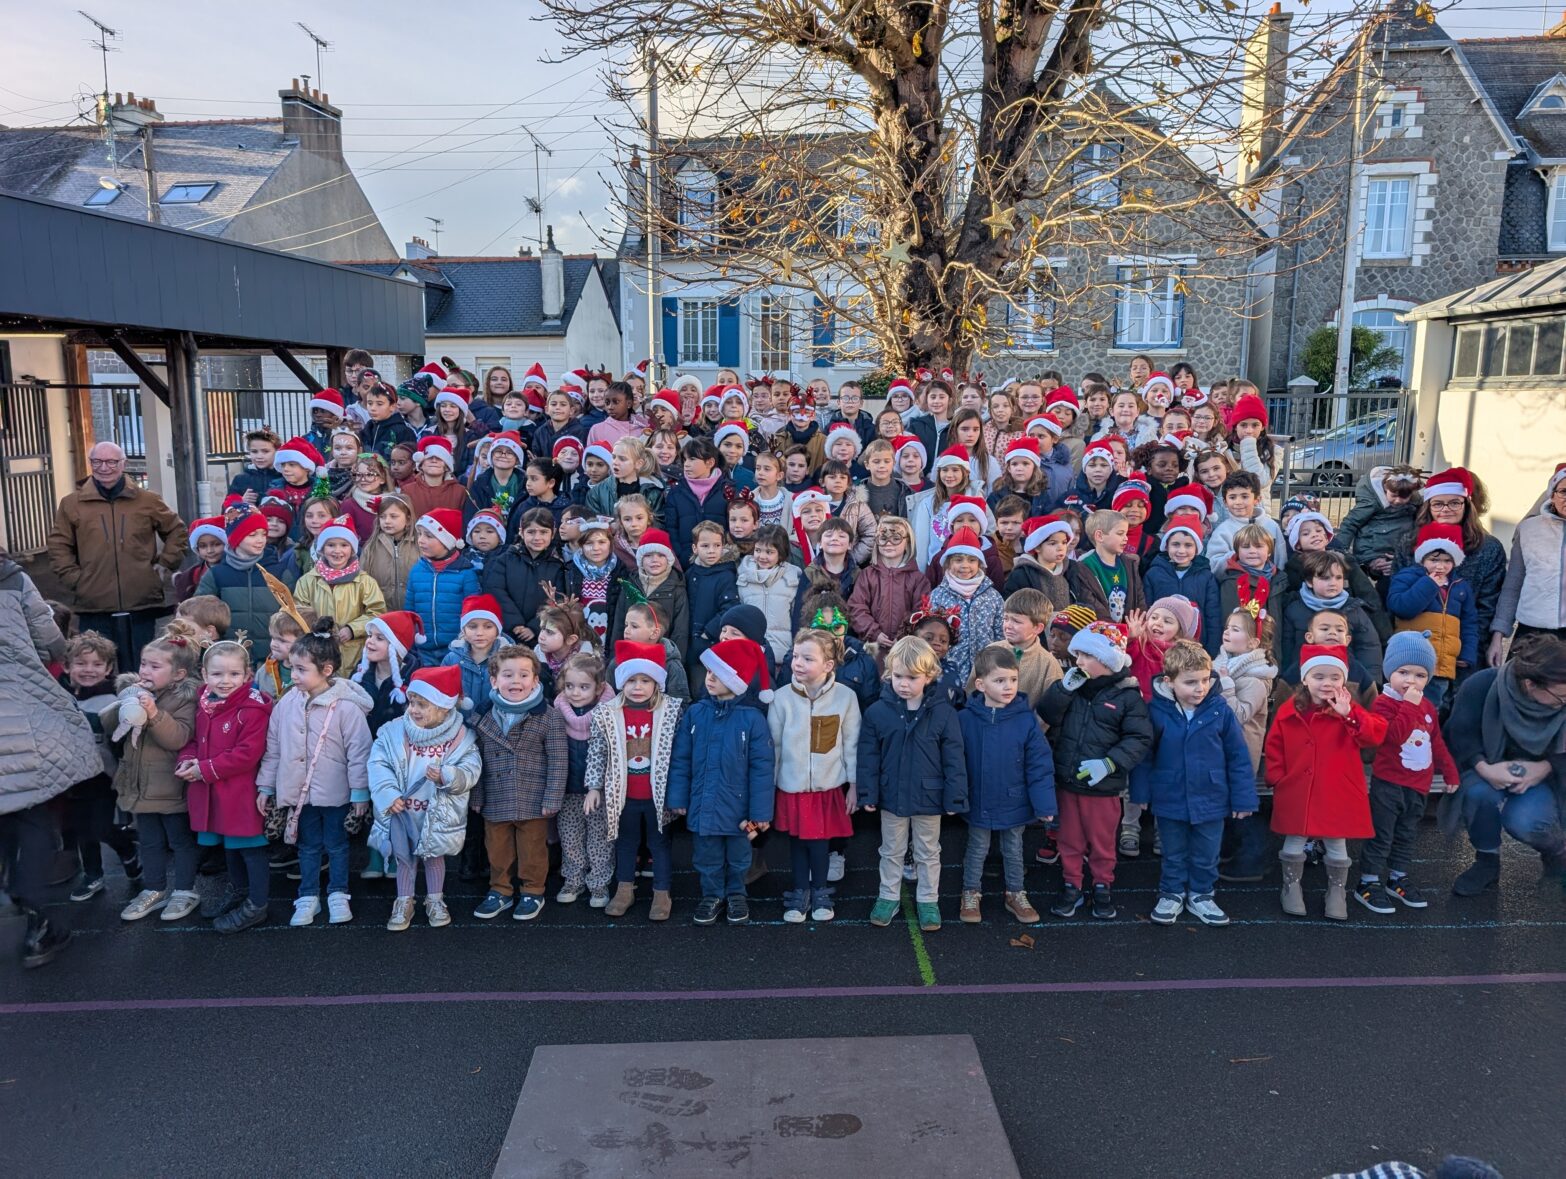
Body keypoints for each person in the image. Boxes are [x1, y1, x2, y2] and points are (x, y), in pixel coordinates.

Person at [0, 555, 102, 966]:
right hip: (17, 706)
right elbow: (48, 636)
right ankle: (37, 916)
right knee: (32, 814)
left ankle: (14, 886)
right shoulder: (11, 577)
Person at [1130, 640, 1257, 927]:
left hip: (1212, 796)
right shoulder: (1156, 711)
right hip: (1170, 795)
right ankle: (1172, 893)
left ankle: (1201, 894)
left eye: (1204, 680)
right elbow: (1145, 756)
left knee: (1206, 853)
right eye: (1190, 682)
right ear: (1169, 681)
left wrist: (1243, 798)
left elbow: (1237, 757)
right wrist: (1141, 793)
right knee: (1173, 852)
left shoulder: (1220, 710)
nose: (1200, 688)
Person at [256, 621, 374, 928]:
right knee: (306, 846)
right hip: (300, 793)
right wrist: (266, 786)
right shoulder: (286, 704)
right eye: (292, 668)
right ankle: (307, 895)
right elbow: (274, 749)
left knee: (336, 844)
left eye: (301, 669)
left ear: (326, 670)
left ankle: (338, 892)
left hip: (336, 793)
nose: (293, 675)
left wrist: (360, 793)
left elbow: (359, 753)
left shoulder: (347, 709)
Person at [1037, 621, 1153, 920]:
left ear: (1107, 660)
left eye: (1087, 656)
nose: (1079, 661)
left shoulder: (1127, 695)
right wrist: (1062, 689)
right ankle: (1071, 884)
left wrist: (1109, 763)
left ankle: (1102, 884)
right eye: (1078, 655)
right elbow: (1047, 713)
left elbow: (1139, 737)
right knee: (1069, 839)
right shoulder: (1071, 685)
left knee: (1102, 841)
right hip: (1068, 781)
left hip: (1103, 788)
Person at [1265, 643, 1388, 920]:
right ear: (1305, 679)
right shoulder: (1290, 709)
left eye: (1334, 677)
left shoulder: (1348, 708)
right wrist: (1277, 777)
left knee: (1336, 842)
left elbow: (1374, 735)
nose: (1327, 683)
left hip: (1336, 788)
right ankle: (1291, 887)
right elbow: (1274, 744)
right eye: (1318, 676)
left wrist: (1349, 715)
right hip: (1298, 787)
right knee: (1295, 838)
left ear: (1343, 680)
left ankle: (1336, 891)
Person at [859, 635, 967, 931]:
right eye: (898, 676)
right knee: (890, 850)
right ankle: (887, 896)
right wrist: (868, 792)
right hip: (891, 795)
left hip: (929, 797)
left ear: (929, 676)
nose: (903, 684)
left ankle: (928, 900)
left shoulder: (944, 713)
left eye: (912, 677)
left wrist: (955, 796)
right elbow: (868, 757)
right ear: (889, 673)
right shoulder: (877, 712)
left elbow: (954, 758)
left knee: (928, 852)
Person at [46, 441, 189, 663]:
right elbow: (59, 544)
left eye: (111, 462)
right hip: (94, 603)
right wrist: (74, 578)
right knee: (96, 667)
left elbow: (177, 531)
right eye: (97, 462)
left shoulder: (147, 500)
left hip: (141, 600)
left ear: (124, 463)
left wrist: (165, 564)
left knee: (141, 665)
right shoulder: (72, 503)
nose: (104, 467)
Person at [1447, 633, 1566, 896]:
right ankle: (1487, 861)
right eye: (1560, 698)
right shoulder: (1482, 685)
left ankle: (1557, 851)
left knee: (1525, 821)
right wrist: (1484, 768)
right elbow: (1459, 734)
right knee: (1479, 794)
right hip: (1487, 768)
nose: (1563, 703)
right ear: (1530, 684)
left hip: (1544, 776)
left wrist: (1544, 768)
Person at [669, 637, 776, 925]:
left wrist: (760, 813)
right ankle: (712, 894)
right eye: (708, 672)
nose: (709, 678)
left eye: (717, 673)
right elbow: (681, 759)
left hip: (740, 811)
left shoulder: (752, 720)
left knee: (740, 856)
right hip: (703, 804)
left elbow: (762, 770)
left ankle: (737, 893)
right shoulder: (696, 714)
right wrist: (678, 797)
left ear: (736, 679)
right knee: (706, 856)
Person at [368, 664, 481, 931]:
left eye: (423, 704)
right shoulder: (394, 732)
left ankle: (435, 900)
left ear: (444, 708)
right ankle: (404, 901)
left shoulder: (461, 738)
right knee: (404, 859)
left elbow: (471, 770)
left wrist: (447, 775)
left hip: (436, 813)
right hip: (402, 810)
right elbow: (378, 763)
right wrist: (388, 793)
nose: (414, 710)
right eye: (412, 703)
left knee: (434, 857)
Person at [1355, 632, 1460, 915]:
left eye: (1420, 675)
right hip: (1389, 784)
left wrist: (1450, 772)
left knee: (1406, 834)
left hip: (1417, 785)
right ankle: (1368, 881)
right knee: (1382, 834)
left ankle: (1397, 877)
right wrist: (1409, 706)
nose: (1411, 681)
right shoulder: (1384, 704)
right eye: (1403, 672)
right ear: (1389, 672)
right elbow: (1392, 737)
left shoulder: (1427, 707)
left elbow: (1436, 741)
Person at [175, 640, 274, 933]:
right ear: (205, 675)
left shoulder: (252, 709)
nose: (225, 681)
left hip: (241, 793)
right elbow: (195, 741)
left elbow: (247, 754)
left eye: (234, 674)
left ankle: (257, 904)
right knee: (230, 845)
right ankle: (239, 890)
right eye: (217, 674)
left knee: (250, 848)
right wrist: (187, 760)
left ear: (247, 675)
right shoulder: (204, 703)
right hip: (216, 790)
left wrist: (204, 769)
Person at [112, 619, 203, 923]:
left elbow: (178, 738)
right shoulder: (135, 690)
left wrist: (153, 713)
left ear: (179, 674)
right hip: (141, 786)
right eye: (143, 664)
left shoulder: (186, 698)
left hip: (171, 787)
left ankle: (185, 890)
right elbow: (113, 730)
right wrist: (124, 703)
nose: (146, 671)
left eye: (155, 666)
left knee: (180, 841)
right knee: (149, 842)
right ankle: (154, 889)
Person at [768, 628, 861, 923]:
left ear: (828, 665)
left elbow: (852, 745)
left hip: (826, 788)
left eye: (808, 658)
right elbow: (774, 747)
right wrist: (769, 789)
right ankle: (800, 891)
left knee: (820, 843)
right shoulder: (781, 699)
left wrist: (854, 785)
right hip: (791, 787)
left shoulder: (846, 698)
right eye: (796, 656)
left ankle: (820, 890)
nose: (798, 663)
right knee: (797, 843)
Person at [958, 647, 1054, 925]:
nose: (1008, 686)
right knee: (977, 847)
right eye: (1000, 680)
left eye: (1013, 679)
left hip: (1014, 798)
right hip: (978, 797)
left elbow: (1039, 764)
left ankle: (1015, 893)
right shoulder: (965, 719)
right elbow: (954, 762)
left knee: (1013, 848)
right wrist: (954, 797)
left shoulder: (1025, 720)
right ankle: (970, 892)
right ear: (980, 684)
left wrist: (1044, 804)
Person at [587, 641, 683, 921]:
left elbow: (680, 754)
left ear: (657, 683)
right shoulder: (607, 713)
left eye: (645, 680)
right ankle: (624, 890)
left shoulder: (671, 711)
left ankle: (662, 893)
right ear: (621, 682)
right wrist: (593, 786)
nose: (637, 687)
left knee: (659, 844)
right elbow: (597, 750)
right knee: (626, 842)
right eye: (631, 680)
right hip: (623, 794)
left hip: (658, 796)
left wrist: (678, 793)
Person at [57, 631, 141, 902]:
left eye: (96, 664)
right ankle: (93, 875)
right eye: (81, 663)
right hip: (71, 776)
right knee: (81, 827)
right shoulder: (58, 697)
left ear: (108, 668)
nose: (88, 670)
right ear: (67, 666)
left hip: (103, 776)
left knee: (100, 827)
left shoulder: (113, 701)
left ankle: (127, 848)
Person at [1386, 523, 1478, 708]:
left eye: (1447, 561)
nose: (1440, 566)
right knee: (1404, 705)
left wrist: (1467, 653)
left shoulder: (1460, 586)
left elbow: (1469, 622)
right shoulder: (1408, 577)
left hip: (1443, 663)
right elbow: (1401, 607)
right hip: (1411, 660)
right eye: (1434, 560)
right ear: (1422, 558)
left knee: (1432, 708)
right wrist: (1429, 584)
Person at [553, 652, 616, 907]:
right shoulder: (557, 711)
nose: (575, 692)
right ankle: (573, 879)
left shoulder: (609, 713)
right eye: (569, 686)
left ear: (599, 688)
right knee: (570, 837)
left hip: (599, 791)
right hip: (568, 789)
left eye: (583, 687)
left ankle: (599, 883)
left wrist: (598, 785)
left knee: (600, 838)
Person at [1489, 463, 1566, 661]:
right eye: (1564, 491)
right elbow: (1512, 585)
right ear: (1552, 495)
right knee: (1520, 680)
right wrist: (1498, 635)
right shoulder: (1529, 529)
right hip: (1532, 632)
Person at [291, 515, 387, 671]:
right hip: (317, 654)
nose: (337, 551)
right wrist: (317, 629)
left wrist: (352, 629)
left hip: (354, 655)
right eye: (331, 545)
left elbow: (377, 612)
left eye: (344, 545)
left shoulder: (364, 582)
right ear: (322, 549)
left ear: (352, 549)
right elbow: (298, 612)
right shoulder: (307, 581)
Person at [926, 528, 1006, 686]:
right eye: (958, 560)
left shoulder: (992, 596)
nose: (965, 565)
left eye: (971, 560)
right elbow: (929, 638)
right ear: (948, 563)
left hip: (986, 674)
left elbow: (1001, 635)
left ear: (979, 563)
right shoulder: (937, 596)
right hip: (950, 676)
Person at [406, 509, 482, 665]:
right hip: (423, 649)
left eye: (429, 536)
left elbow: (473, 613)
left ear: (447, 541)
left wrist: (462, 640)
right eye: (419, 534)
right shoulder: (416, 571)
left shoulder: (465, 573)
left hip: (456, 649)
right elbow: (409, 610)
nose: (421, 540)